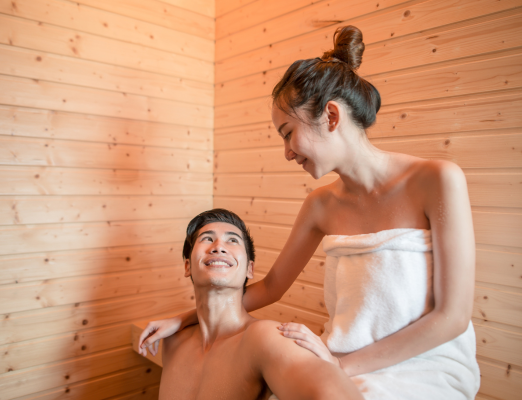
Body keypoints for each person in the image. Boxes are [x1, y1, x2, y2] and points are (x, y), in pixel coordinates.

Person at [139, 26, 481, 399]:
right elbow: (270, 287)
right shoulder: (320, 205)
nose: (287, 152)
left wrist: (339, 366)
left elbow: (452, 317)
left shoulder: (437, 180)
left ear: (331, 116)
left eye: (287, 133)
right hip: (339, 359)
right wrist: (184, 318)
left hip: (425, 366)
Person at [149, 208, 363, 399]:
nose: (219, 247)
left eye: (232, 240)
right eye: (207, 238)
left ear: (249, 269)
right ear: (187, 266)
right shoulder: (173, 341)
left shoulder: (264, 338)